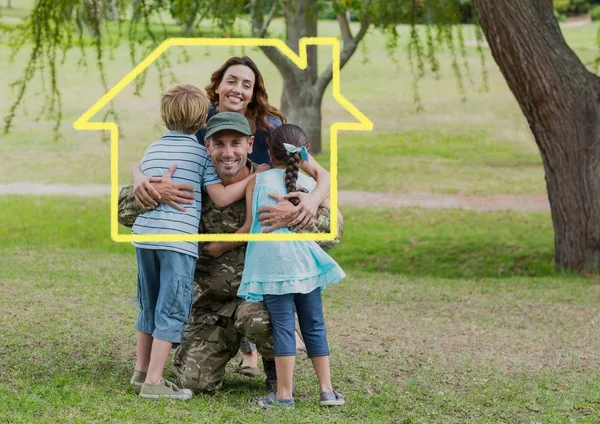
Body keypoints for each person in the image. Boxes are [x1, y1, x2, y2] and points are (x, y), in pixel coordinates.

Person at [118, 112, 343, 394]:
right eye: (219, 143)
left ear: (249, 145)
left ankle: (276, 369)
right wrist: (146, 188)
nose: (228, 153)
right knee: (194, 382)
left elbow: (334, 230)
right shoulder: (190, 180)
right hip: (211, 308)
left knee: (264, 322)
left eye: (235, 143)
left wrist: (299, 214)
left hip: (258, 300)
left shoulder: (274, 181)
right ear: (207, 147)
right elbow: (122, 213)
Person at [130, 86, 255, 400]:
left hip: (145, 238)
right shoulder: (199, 154)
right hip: (177, 243)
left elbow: (139, 175)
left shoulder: (153, 148)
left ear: (164, 116)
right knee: (171, 310)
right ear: (203, 120)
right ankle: (154, 383)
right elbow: (222, 196)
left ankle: (141, 371)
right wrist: (254, 179)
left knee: (149, 305)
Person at [211, 124, 346, 408]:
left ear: (268, 152)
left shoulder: (256, 182)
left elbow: (248, 228)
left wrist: (217, 247)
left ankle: (284, 395)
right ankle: (328, 391)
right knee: (314, 326)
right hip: (306, 266)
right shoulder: (310, 187)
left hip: (273, 268)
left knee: (284, 328)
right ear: (303, 153)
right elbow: (330, 214)